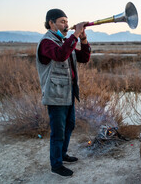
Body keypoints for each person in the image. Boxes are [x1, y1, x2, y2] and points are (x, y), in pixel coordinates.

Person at [36, 9, 91, 177]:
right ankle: (56, 165)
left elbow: (84, 58)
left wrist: (82, 38)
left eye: (67, 21)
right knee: (58, 131)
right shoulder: (47, 43)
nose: (66, 25)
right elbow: (60, 55)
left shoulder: (64, 41)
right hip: (55, 95)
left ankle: (62, 155)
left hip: (68, 94)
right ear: (51, 23)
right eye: (62, 21)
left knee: (69, 125)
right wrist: (75, 35)